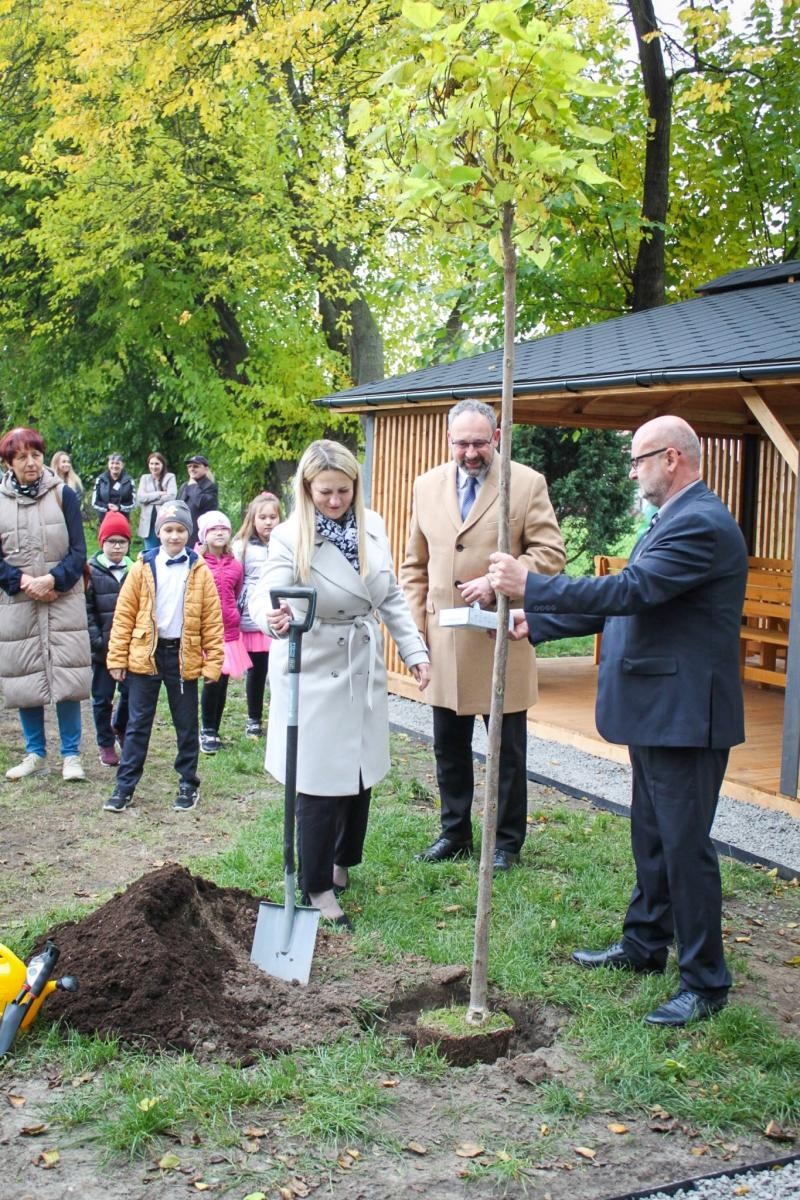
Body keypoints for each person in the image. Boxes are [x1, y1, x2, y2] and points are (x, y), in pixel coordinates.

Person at [488, 415, 748, 1028]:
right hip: (660, 711)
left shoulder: (702, 524)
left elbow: (632, 591)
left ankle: (705, 981)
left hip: (686, 716)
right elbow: (635, 607)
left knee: (684, 847)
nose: (632, 471)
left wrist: (535, 585)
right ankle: (643, 945)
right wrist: (543, 621)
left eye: (638, 459)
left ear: (672, 459)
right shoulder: (675, 519)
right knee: (652, 837)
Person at [250, 439, 430, 928]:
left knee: (359, 773)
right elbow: (268, 590)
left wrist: (414, 652)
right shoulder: (290, 536)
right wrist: (274, 618)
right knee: (319, 782)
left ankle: (342, 860)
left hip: (360, 661)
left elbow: (390, 594)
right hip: (314, 663)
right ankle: (316, 886)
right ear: (307, 489)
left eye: (343, 491)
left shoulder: (372, 525)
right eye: (325, 492)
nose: (335, 501)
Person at [400, 398, 565, 871]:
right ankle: (454, 833)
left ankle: (506, 843)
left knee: (506, 753)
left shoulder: (526, 483)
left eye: (479, 443)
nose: (470, 453)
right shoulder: (426, 485)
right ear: (448, 440)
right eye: (461, 443)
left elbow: (550, 554)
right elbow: (415, 565)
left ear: (495, 438)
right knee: (448, 747)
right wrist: (417, 634)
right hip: (445, 643)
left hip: (501, 640)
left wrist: (500, 582)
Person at [104, 499, 224, 813]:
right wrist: (117, 658)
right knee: (138, 724)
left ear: (189, 532)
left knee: (186, 724)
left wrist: (213, 661)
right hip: (147, 655)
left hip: (182, 657)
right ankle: (125, 785)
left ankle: (187, 783)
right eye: (168, 530)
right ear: (159, 532)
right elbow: (124, 615)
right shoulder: (143, 566)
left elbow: (212, 619)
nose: (174, 536)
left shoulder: (199, 569)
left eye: (180, 530)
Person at [0, 427, 91, 782]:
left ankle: (71, 755)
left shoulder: (63, 495)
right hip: (18, 600)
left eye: (36, 455)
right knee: (25, 676)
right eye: (22, 457)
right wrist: (23, 582)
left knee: (67, 675)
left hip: (62, 597)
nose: (31, 463)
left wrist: (53, 580)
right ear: (8, 463)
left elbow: (79, 552)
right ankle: (34, 752)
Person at [197, 509, 251, 754]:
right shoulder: (197, 562)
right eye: (213, 529)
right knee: (212, 678)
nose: (219, 533)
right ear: (203, 535)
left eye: (224, 529)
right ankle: (206, 729)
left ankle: (215, 729)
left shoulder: (236, 566)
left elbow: (236, 593)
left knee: (224, 681)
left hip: (229, 629)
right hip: (207, 630)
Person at [86, 511, 135, 768]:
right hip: (102, 649)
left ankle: (121, 726)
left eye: (122, 542)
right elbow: (87, 610)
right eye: (111, 541)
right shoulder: (92, 571)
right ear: (102, 543)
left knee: (129, 693)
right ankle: (105, 742)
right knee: (102, 696)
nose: (117, 547)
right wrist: (97, 641)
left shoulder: (136, 569)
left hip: (129, 649)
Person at [233, 492, 281, 738]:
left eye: (273, 517)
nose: (268, 522)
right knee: (257, 671)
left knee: (281, 669)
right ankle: (254, 718)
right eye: (263, 517)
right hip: (252, 617)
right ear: (253, 519)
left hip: (280, 616)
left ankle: (280, 717)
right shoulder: (241, 546)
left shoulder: (285, 545)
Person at [136, 451, 177, 551]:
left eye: (157, 464)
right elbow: (140, 498)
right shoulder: (144, 478)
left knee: (167, 550)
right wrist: (158, 494)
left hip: (165, 520)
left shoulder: (170, 477)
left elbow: (171, 497)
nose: (154, 466)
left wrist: (149, 499)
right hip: (148, 523)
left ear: (162, 465)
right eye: (151, 463)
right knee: (150, 552)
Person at [177, 454, 218, 544]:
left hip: (198, 534)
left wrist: (192, 486)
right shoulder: (184, 485)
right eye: (189, 466)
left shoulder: (210, 486)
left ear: (206, 469)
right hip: (182, 531)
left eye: (196, 466)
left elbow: (201, 502)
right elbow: (177, 506)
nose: (192, 469)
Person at [91, 453, 135, 520]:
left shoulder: (129, 481)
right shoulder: (100, 479)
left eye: (117, 463)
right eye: (112, 463)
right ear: (108, 465)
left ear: (122, 465)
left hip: (123, 518)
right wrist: (107, 506)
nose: (114, 466)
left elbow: (133, 503)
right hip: (104, 519)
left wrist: (119, 508)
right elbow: (94, 502)